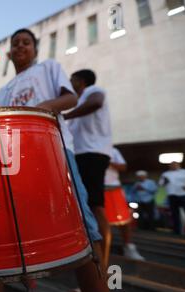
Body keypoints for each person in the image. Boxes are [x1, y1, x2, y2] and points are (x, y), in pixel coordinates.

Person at [0, 28, 110, 292]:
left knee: (80, 227)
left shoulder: (48, 68)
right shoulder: (4, 90)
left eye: (26, 42)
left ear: (35, 48)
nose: (20, 47)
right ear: (8, 53)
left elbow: (71, 99)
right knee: (3, 231)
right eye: (15, 43)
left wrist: (42, 107)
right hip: (14, 159)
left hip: (52, 149)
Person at [65, 69, 113, 273]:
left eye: (72, 80)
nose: (69, 83)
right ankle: (93, 262)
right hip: (83, 155)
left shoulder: (93, 91)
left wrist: (66, 114)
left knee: (95, 206)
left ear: (81, 81)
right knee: (86, 205)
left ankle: (103, 267)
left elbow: (97, 101)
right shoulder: (79, 101)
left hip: (93, 154)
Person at [105, 147, 144, 260]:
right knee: (97, 220)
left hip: (113, 187)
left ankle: (128, 247)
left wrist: (105, 160)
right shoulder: (79, 145)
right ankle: (100, 249)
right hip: (91, 187)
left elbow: (123, 166)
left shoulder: (113, 150)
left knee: (124, 218)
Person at [159, 162, 185, 236]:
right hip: (172, 195)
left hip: (184, 194)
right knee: (174, 213)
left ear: (179, 165)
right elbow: (161, 184)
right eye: (171, 165)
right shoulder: (165, 174)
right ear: (169, 166)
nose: (173, 166)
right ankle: (177, 231)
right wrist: (165, 182)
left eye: (175, 164)